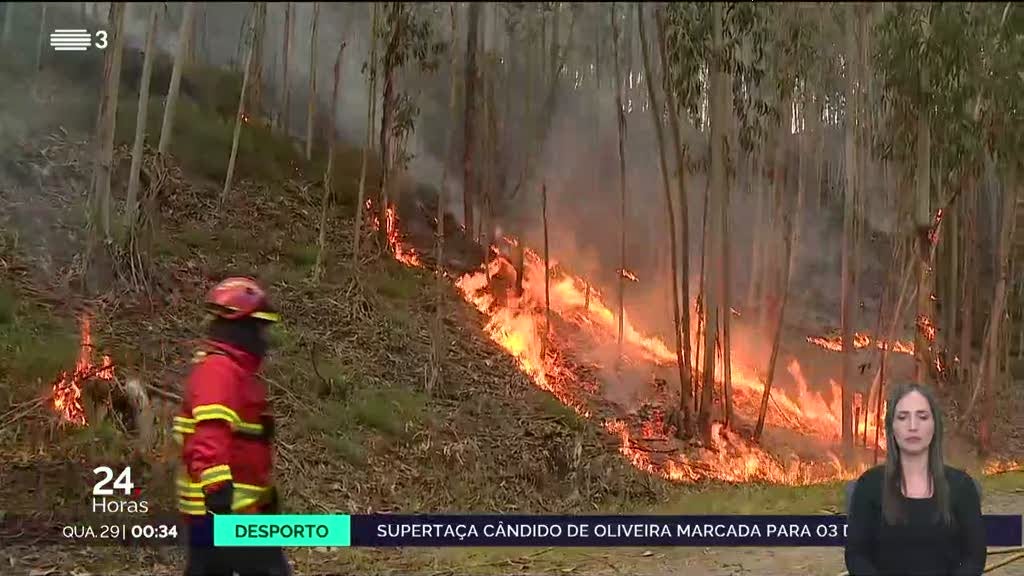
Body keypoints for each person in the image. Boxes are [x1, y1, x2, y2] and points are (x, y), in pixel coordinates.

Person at [173, 277, 291, 576]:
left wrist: (265, 498)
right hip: (224, 517)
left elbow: (245, 445)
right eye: (258, 328)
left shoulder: (235, 373)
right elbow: (209, 438)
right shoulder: (220, 372)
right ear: (242, 328)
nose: (263, 339)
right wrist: (218, 495)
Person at [845, 382, 986, 575]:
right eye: (903, 417)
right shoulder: (869, 486)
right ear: (891, 427)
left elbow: (974, 557)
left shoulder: (962, 487)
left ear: (935, 425)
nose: (913, 426)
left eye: (922, 417)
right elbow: (856, 556)